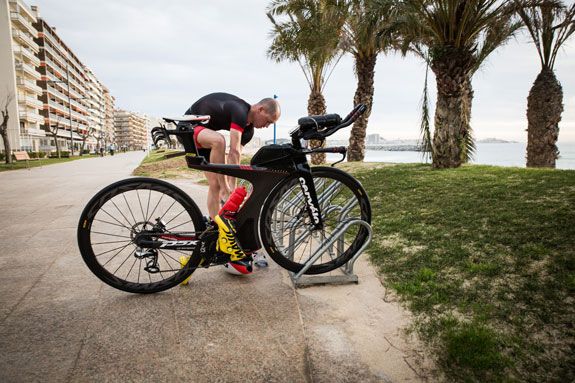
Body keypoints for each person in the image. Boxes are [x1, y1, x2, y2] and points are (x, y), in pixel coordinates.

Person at [183, 92, 280, 273]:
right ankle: (223, 196)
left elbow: (235, 157)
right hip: (188, 126)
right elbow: (233, 149)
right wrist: (228, 189)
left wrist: (231, 187)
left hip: (203, 137)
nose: (267, 126)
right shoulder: (240, 110)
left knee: (214, 185)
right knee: (219, 141)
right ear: (260, 109)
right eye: (268, 121)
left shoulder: (249, 131)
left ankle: (216, 231)